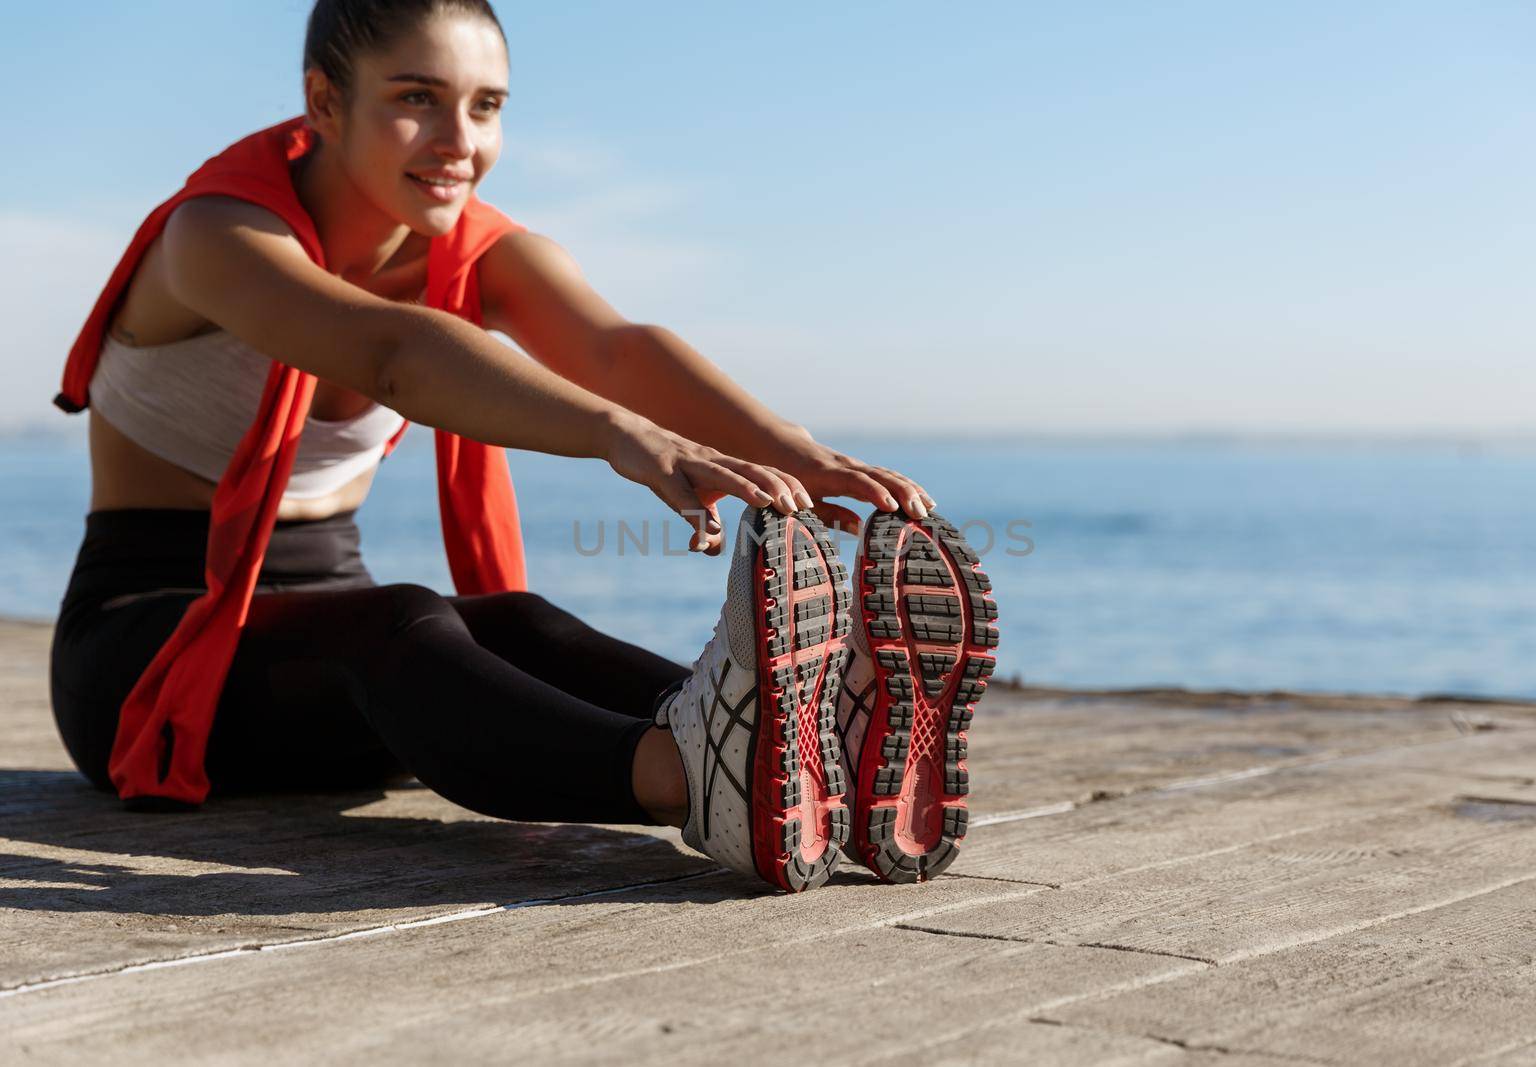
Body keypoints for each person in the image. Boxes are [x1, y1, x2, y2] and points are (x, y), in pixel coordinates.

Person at [49, 0, 997, 894]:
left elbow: (612, 348)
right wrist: (621, 436)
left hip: (323, 651)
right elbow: (394, 354)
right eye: (416, 99)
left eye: (487, 106)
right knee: (403, 620)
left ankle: (823, 750)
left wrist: (795, 451)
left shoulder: (473, 251)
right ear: (325, 101)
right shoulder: (215, 235)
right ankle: (685, 775)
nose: (461, 143)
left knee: (513, 623)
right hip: (148, 653)